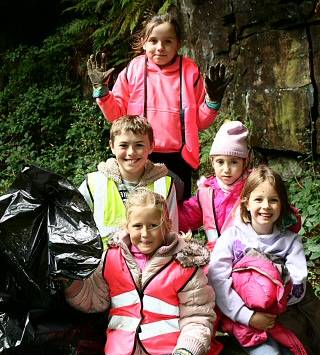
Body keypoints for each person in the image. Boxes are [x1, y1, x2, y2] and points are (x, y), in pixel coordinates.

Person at [208, 165, 320, 355]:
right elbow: (218, 281)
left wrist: (276, 283)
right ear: (245, 202)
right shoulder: (232, 238)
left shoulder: (290, 242)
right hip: (247, 326)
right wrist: (249, 315)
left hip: (282, 323)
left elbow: (297, 282)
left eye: (273, 201)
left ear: (282, 205)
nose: (265, 207)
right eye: (258, 199)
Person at [64, 189, 222, 355]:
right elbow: (94, 299)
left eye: (153, 225)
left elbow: (198, 316)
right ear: (126, 226)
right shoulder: (111, 258)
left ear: (167, 225)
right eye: (138, 226)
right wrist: (70, 283)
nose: (145, 233)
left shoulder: (185, 265)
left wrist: (188, 349)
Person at [87, 13, 231, 198]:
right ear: (144, 43)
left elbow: (200, 122)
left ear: (178, 44)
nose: (160, 48)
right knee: (142, 211)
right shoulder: (134, 68)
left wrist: (212, 101)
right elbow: (117, 116)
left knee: (177, 213)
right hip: (139, 153)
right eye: (153, 41)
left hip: (179, 157)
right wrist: (102, 91)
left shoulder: (190, 71)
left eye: (167, 41)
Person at [79, 115, 181, 248]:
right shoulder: (93, 183)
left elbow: (171, 234)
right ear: (112, 146)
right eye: (124, 145)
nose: (131, 152)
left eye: (139, 145)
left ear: (151, 146)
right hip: (106, 266)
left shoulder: (164, 184)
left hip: (150, 266)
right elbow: (77, 231)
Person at [178, 120, 250, 249]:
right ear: (212, 162)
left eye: (234, 162)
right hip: (215, 252)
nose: (226, 169)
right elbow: (186, 217)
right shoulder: (206, 193)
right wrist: (163, 211)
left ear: (245, 162)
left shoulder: (253, 188)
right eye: (220, 162)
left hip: (247, 250)